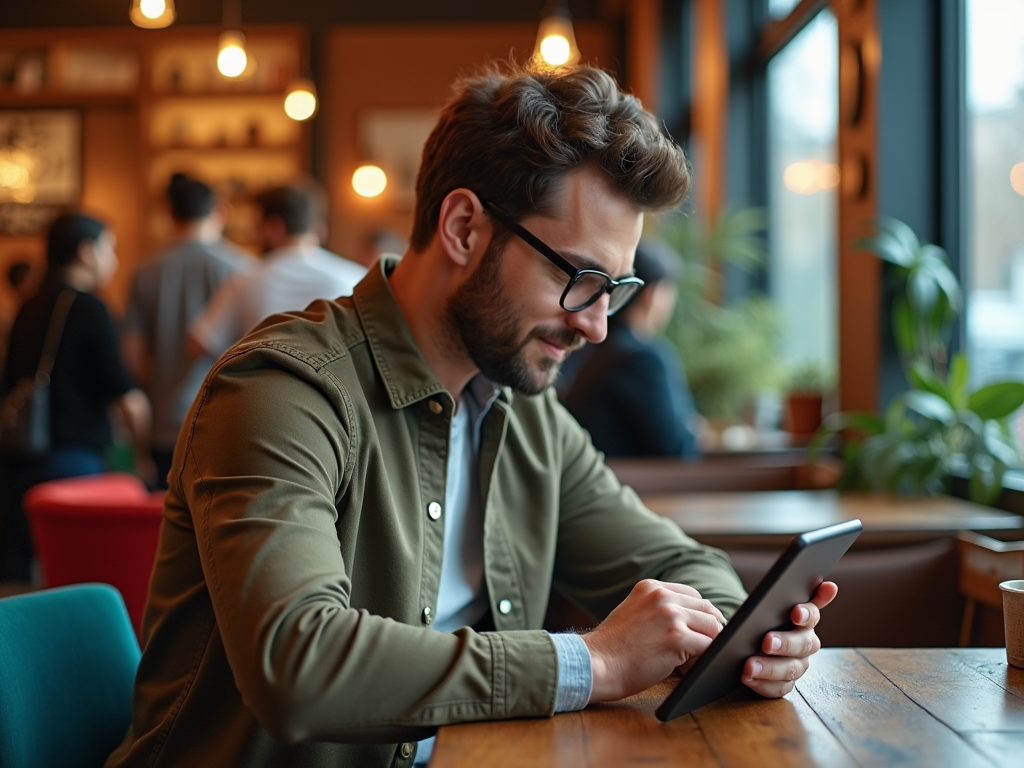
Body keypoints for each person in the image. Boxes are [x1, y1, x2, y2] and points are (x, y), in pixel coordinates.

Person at [105, 64, 836, 768]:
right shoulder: (282, 391)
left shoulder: (525, 413)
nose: (598, 327)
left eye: (616, 287)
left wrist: (746, 642)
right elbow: (297, 664)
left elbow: (683, 566)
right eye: (579, 278)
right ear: (462, 228)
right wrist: (593, 661)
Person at [0, 213, 151, 581]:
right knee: (76, 581)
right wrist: (142, 457)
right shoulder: (89, 307)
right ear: (87, 252)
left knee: (17, 585)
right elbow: (128, 398)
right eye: (109, 250)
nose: (113, 261)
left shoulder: (28, 305)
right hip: (72, 466)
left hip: (16, 461)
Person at [121, 173, 248, 488]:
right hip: (224, 421)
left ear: (170, 213)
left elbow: (132, 353)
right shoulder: (242, 268)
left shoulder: (144, 269)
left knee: (163, 525)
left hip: (163, 422)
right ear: (218, 210)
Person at [188, 184, 367, 359]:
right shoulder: (356, 278)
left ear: (274, 227)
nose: (253, 235)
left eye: (256, 227)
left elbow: (199, 344)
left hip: (260, 388)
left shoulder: (247, 279)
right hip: (336, 388)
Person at [562, 237, 701, 457]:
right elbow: (677, 452)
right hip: (639, 487)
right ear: (652, 295)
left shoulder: (594, 348)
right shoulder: (643, 359)